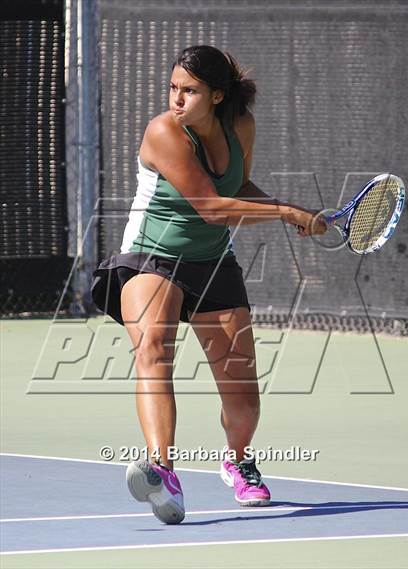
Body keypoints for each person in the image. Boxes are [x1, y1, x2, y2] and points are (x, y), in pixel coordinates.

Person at [91, 45, 326, 525]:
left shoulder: (241, 127)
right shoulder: (163, 131)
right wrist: (285, 212)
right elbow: (211, 207)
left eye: (190, 91)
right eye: (174, 88)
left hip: (213, 261)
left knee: (243, 398)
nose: (177, 99)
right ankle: (162, 472)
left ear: (217, 95)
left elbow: (236, 189)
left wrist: (294, 211)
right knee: (154, 348)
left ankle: (237, 459)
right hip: (150, 256)